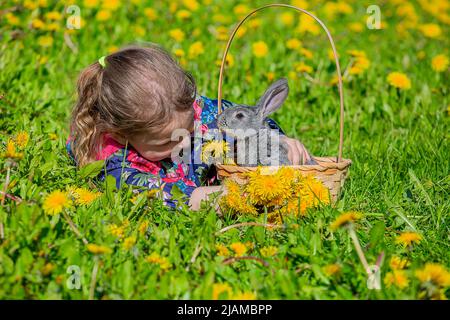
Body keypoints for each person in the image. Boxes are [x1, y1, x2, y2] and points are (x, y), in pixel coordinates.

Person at [66, 44, 309, 211]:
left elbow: (251, 120)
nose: (184, 142)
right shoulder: (113, 163)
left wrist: (278, 141)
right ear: (121, 134)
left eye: (189, 127)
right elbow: (161, 196)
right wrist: (224, 197)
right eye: (167, 142)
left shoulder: (198, 112)